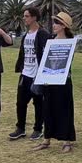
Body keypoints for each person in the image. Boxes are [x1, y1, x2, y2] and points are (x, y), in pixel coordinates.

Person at [32, 12, 76, 153]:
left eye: (57, 23)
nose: (54, 25)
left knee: (64, 109)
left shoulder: (70, 41)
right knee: (47, 109)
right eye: (54, 22)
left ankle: (66, 140)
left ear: (63, 26)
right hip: (48, 79)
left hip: (63, 80)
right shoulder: (50, 39)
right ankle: (46, 139)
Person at [9, 7, 50, 141]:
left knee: (38, 103)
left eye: (26, 16)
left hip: (38, 76)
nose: (24, 18)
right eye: (24, 16)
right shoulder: (26, 35)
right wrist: (20, 67)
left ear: (34, 17)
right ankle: (20, 128)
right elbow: (23, 53)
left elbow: (48, 52)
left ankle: (38, 129)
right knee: (20, 103)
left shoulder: (43, 34)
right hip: (25, 74)